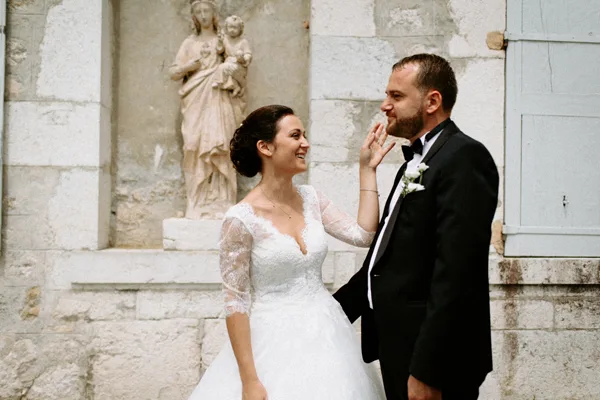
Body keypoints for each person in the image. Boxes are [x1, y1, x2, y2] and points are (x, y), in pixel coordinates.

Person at [186, 105, 395, 400]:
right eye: (295, 135)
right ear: (266, 147)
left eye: (305, 135)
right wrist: (249, 380)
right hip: (272, 344)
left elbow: (362, 235)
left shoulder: (312, 198)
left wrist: (367, 170)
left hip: (328, 336)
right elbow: (236, 304)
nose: (305, 144)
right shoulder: (240, 219)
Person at [334, 54, 499, 400]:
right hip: (399, 349)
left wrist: (427, 370)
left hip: (433, 361)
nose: (384, 105)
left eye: (396, 96)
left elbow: (457, 274)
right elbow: (381, 264)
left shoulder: (464, 158)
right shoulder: (413, 164)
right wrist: (321, 316)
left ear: (432, 101)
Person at [169, 0, 244, 219]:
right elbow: (174, 72)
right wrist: (190, 66)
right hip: (195, 98)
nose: (203, 15)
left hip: (219, 98)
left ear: (213, 14)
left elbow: (237, 64)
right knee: (193, 145)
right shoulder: (189, 43)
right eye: (198, 12)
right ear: (194, 17)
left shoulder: (223, 40)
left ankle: (222, 201)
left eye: (206, 11)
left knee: (219, 144)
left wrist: (228, 67)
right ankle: (196, 201)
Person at [212, 15, 252, 97]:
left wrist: (244, 58)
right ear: (226, 28)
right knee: (224, 70)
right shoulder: (225, 39)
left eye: (235, 27)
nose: (232, 30)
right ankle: (236, 87)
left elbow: (248, 53)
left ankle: (239, 84)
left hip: (239, 64)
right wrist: (220, 42)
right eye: (230, 27)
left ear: (240, 29)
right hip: (228, 63)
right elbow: (220, 50)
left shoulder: (243, 41)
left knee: (224, 67)